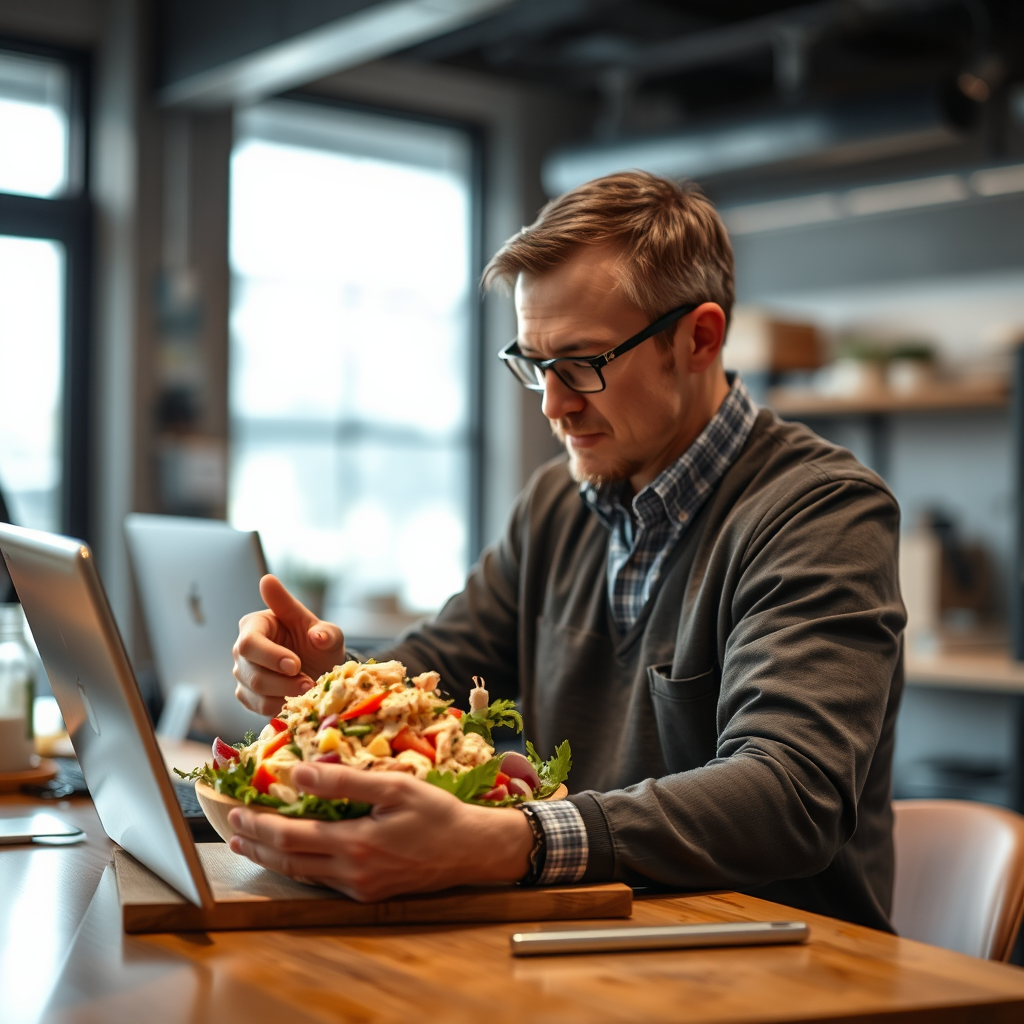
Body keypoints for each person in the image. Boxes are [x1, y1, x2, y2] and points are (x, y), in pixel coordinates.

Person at [230, 171, 905, 930]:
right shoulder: (557, 501)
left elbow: (790, 795)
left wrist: (513, 843)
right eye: (532, 365)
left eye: (583, 363)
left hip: (783, 972)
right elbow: (440, 669)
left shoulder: (820, 510)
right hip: (587, 945)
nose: (553, 405)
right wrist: (326, 685)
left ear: (700, 337)